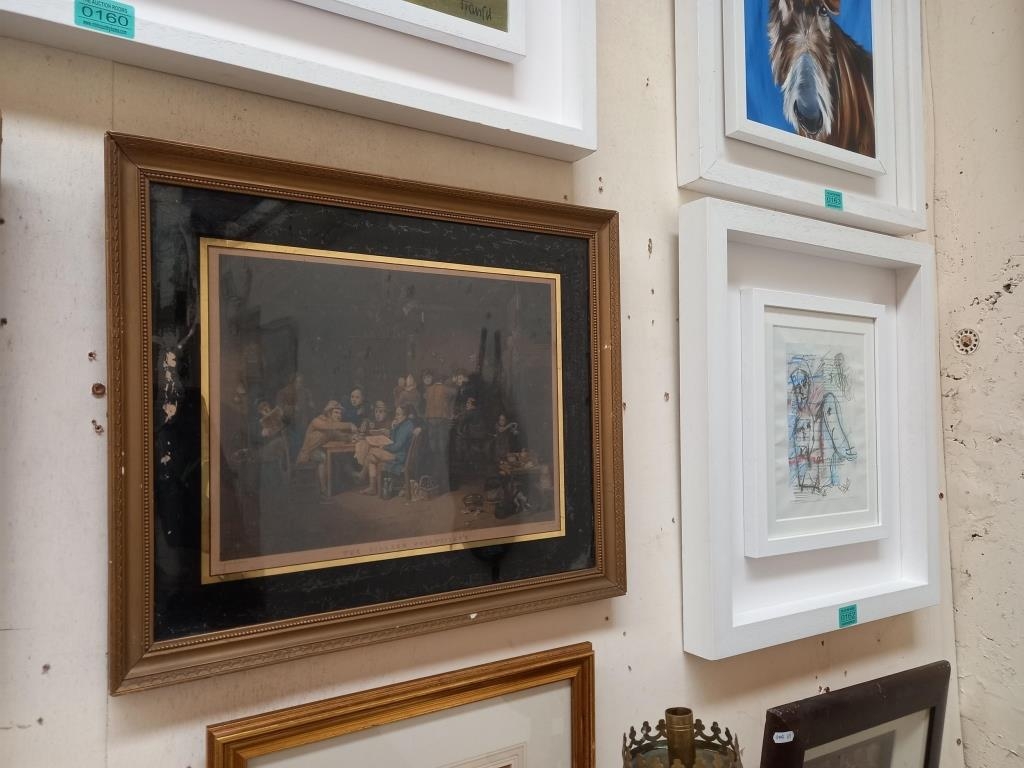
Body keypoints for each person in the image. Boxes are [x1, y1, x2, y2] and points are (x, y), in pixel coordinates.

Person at [297, 400, 353, 497]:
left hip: (319, 452)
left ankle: (335, 486)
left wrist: (352, 437)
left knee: (337, 457)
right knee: (323, 457)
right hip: (307, 454)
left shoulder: (332, 427)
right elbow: (328, 426)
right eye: (336, 412)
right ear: (329, 413)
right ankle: (323, 490)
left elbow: (340, 435)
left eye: (340, 413)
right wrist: (350, 425)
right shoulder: (318, 421)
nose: (339, 415)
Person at [361, 404, 418, 496]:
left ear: (405, 416)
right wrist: (393, 428)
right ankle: (372, 487)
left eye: (398, 414)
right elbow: (393, 440)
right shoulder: (402, 425)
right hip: (397, 454)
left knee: (372, 451)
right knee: (371, 457)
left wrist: (384, 447)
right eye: (396, 414)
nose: (396, 417)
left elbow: (397, 446)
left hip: (401, 457)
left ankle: (362, 476)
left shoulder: (407, 426)